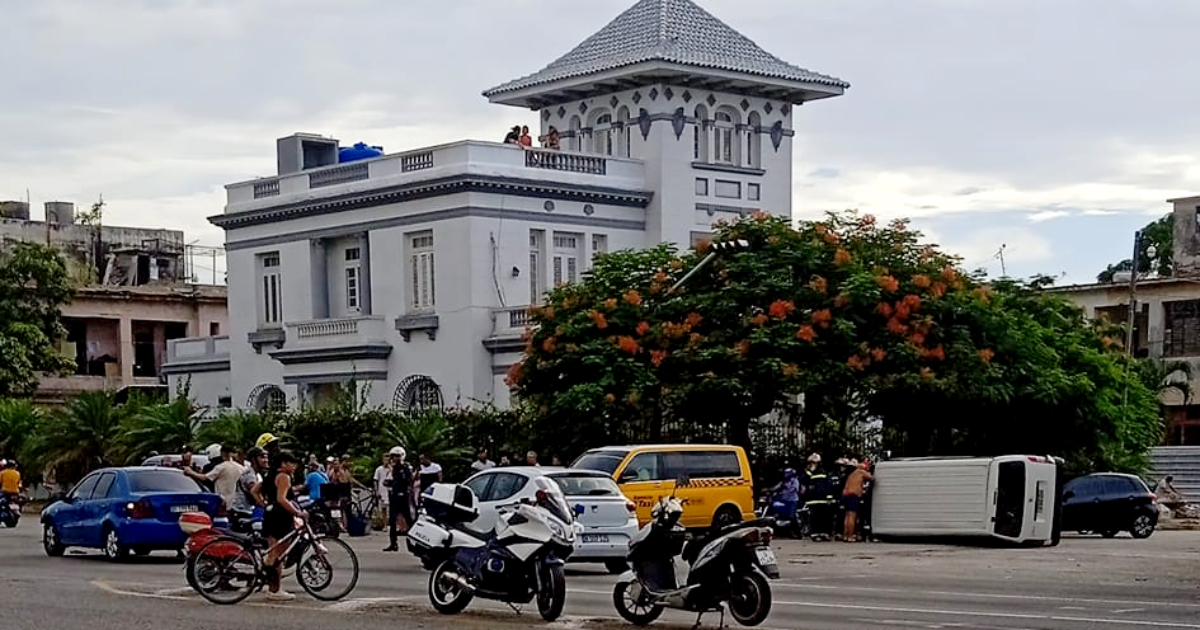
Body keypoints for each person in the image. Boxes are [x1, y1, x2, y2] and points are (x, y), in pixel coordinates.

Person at [260, 451, 305, 601]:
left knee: (272, 553)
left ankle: (270, 584)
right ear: (283, 464)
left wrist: (264, 504)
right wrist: (297, 512)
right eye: (291, 463)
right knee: (279, 556)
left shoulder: (270, 476)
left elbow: (254, 491)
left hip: (269, 515)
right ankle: (275, 590)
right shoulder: (284, 477)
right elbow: (282, 499)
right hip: (281, 516)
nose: (294, 466)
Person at [185, 445, 245, 509]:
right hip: (237, 503)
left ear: (222, 453)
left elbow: (204, 478)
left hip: (223, 502)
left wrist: (190, 472)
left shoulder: (220, 467)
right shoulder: (240, 467)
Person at [384, 446, 414, 552]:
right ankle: (393, 543)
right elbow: (396, 481)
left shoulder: (405, 468)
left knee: (408, 519)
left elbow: (407, 481)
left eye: (395, 456)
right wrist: (389, 483)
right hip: (395, 496)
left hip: (403, 496)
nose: (393, 459)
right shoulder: (395, 468)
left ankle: (415, 541)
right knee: (392, 520)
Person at [842, 461, 874, 542]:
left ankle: (845, 535)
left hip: (846, 496)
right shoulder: (861, 472)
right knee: (853, 516)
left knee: (847, 516)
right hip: (853, 496)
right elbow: (872, 478)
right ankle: (850, 536)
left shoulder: (851, 474)